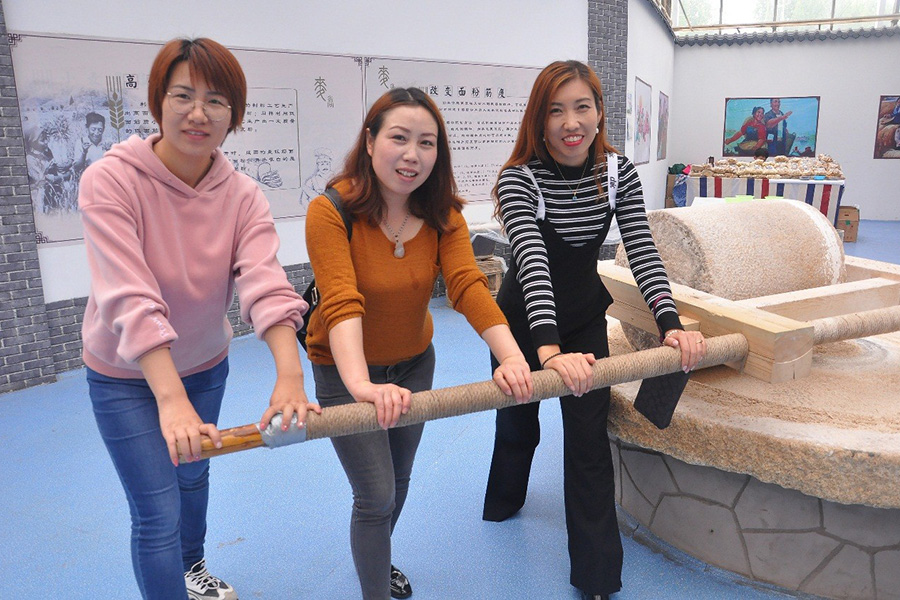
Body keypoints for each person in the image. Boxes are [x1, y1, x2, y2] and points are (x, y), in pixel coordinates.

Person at [79, 38, 320, 600]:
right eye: (183, 96)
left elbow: (264, 282)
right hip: (123, 375)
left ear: (233, 114)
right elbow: (129, 296)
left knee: (193, 475)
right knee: (157, 510)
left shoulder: (243, 195)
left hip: (206, 365)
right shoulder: (110, 181)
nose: (198, 113)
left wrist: (290, 375)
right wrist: (169, 399)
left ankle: (193, 567)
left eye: (216, 101)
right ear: (157, 102)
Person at [481, 60, 705, 600]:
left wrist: (671, 325)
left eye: (582, 106)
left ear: (600, 112)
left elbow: (642, 250)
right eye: (555, 111)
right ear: (539, 120)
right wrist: (547, 351)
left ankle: (597, 577)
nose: (570, 122)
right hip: (522, 324)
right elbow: (533, 264)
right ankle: (504, 500)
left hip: (583, 320)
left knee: (587, 441)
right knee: (517, 421)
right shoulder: (519, 179)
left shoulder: (617, 173)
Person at [304, 87, 533, 600]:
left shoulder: (442, 215)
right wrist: (361, 385)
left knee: (399, 480)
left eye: (426, 143)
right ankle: (374, 589)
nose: (412, 155)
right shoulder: (331, 210)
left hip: (413, 366)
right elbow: (340, 300)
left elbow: (467, 285)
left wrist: (512, 357)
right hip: (344, 372)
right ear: (370, 141)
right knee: (375, 494)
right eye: (399, 138)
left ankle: (375, 558)